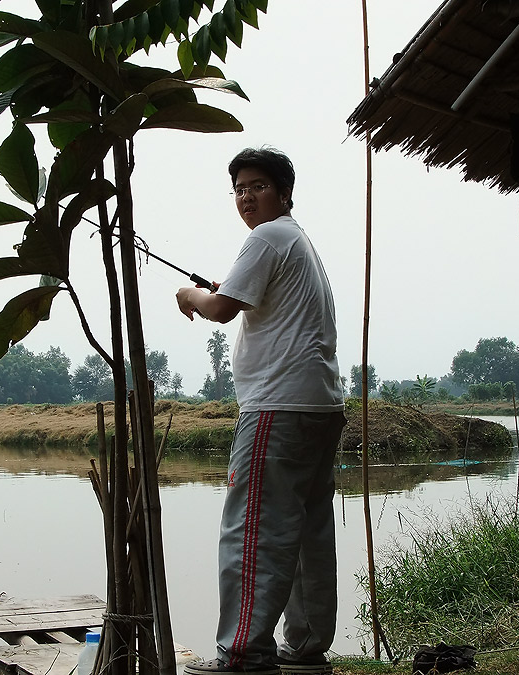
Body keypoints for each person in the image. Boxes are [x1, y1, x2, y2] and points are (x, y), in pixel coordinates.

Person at [176, 148, 345, 675]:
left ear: (284, 193)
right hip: (319, 404)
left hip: (276, 406)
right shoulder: (299, 242)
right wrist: (214, 293)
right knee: (306, 529)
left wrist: (190, 295)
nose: (247, 196)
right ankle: (307, 645)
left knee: (253, 528)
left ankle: (243, 651)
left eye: (258, 186)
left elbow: (222, 309)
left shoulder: (268, 237)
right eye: (239, 189)